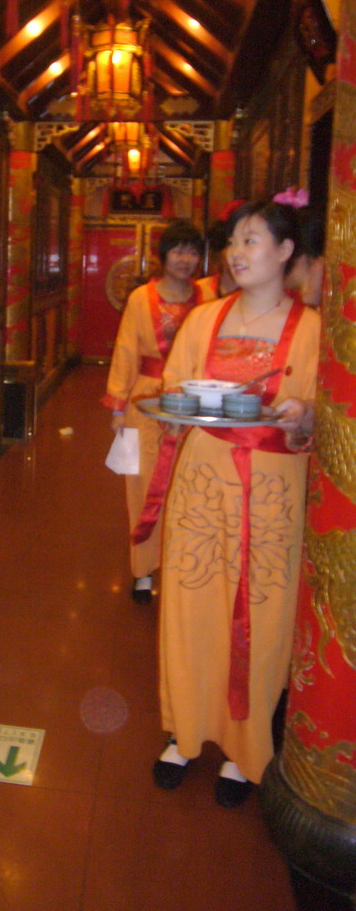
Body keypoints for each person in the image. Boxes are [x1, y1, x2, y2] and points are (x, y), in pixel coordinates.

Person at [151, 200, 319, 807]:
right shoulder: (204, 320)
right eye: (233, 242)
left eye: (252, 241)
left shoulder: (314, 329)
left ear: (284, 252)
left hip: (272, 490)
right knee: (192, 603)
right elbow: (174, 392)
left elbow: (327, 422)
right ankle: (186, 731)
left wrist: (304, 413)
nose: (236, 253)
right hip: (202, 481)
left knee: (263, 615)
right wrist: (177, 406)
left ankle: (247, 751)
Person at [102, 219, 205, 604]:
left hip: (192, 408)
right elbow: (126, 352)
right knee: (140, 489)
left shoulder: (207, 299)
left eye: (192, 251)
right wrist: (116, 407)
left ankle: (181, 566)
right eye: (178, 250)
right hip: (143, 406)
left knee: (188, 488)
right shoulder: (140, 299)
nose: (185, 259)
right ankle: (142, 571)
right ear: (163, 255)